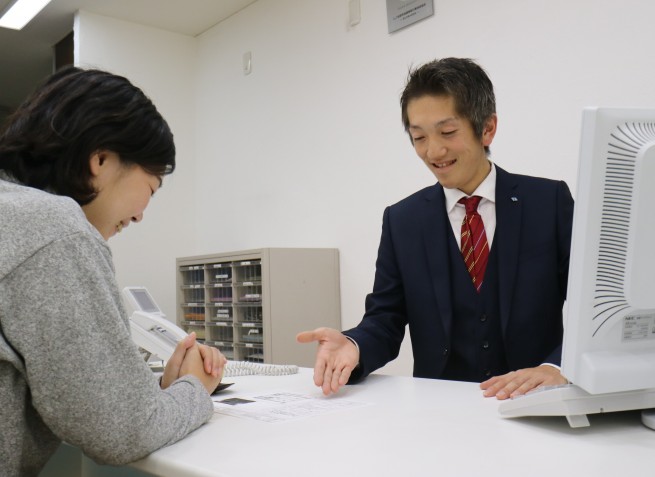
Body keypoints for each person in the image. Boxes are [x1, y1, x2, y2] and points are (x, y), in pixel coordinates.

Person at [298, 57, 573, 400]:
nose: (433, 151)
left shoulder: (549, 203)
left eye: (447, 132)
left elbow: (591, 310)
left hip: (535, 403)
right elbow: (385, 318)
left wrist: (557, 367)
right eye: (419, 137)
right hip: (439, 411)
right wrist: (354, 344)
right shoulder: (402, 220)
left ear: (487, 128)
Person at [0, 67, 226, 476]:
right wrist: (195, 389)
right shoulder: (54, 228)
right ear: (101, 158)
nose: (140, 215)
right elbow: (121, 432)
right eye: (151, 188)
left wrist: (151, 395)